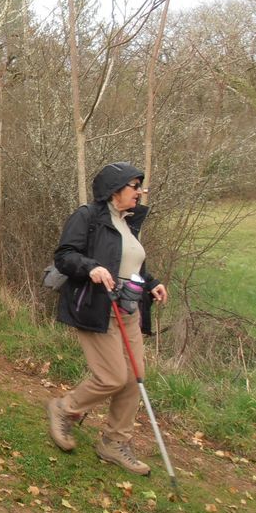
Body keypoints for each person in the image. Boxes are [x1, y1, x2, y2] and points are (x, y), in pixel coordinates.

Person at [46, 161, 169, 475]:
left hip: (129, 311)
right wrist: (91, 267)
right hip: (97, 307)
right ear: (115, 190)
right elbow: (64, 256)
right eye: (134, 186)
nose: (140, 192)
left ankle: (114, 442)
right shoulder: (88, 216)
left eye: (140, 187)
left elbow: (132, 266)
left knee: (133, 379)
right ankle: (64, 409)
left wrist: (151, 284)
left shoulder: (129, 223)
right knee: (113, 376)